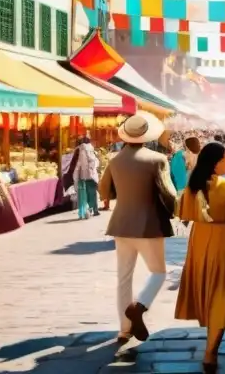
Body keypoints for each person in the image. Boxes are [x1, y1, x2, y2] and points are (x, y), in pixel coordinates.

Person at [99, 111, 178, 344]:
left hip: (121, 224)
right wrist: (178, 210)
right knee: (159, 272)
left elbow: (104, 192)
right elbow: (168, 192)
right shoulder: (157, 159)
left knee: (123, 278)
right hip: (150, 225)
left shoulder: (114, 160)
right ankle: (139, 306)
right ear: (146, 135)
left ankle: (124, 329)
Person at [175, 142, 225, 373]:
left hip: (199, 240)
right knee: (222, 292)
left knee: (205, 287)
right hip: (223, 240)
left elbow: (184, 214)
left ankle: (210, 345)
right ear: (216, 162)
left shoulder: (192, 187)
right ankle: (211, 351)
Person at [75, 137, 100, 219]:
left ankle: (93, 210)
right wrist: (92, 170)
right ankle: (92, 210)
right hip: (90, 175)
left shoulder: (81, 150)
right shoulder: (88, 148)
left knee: (89, 193)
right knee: (92, 193)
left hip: (84, 175)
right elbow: (92, 160)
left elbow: (79, 164)